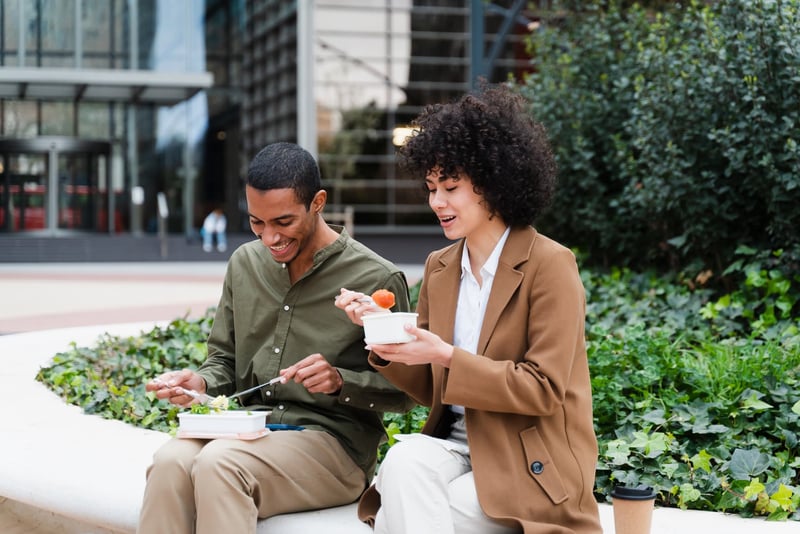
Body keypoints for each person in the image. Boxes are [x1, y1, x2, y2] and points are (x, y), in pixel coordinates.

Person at [335, 84, 602, 533]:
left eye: (451, 187)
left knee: (430, 507)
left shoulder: (551, 265)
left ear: (494, 185)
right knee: (404, 461)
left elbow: (543, 390)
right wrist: (380, 333)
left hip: (528, 461)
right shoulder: (440, 268)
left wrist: (446, 355)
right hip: (455, 450)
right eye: (431, 187)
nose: (437, 201)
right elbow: (430, 387)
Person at [138, 142, 415, 534]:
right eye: (256, 223)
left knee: (220, 464)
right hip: (247, 429)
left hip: (333, 446)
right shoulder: (244, 264)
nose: (269, 238)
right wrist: (199, 383)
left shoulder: (376, 278)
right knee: (169, 463)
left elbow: (406, 392)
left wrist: (341, 381)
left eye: (283, 222)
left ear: (317, 202)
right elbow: (223, 360)